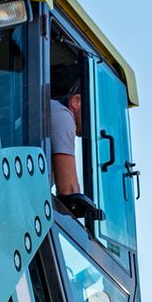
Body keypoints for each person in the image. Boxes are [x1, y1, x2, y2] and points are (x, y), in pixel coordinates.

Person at [48, 77, 102, 221]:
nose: (98, 122)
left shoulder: (51, 110)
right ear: (76, 102)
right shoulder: (62, 114)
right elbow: (68, 190)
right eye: (97, 112)